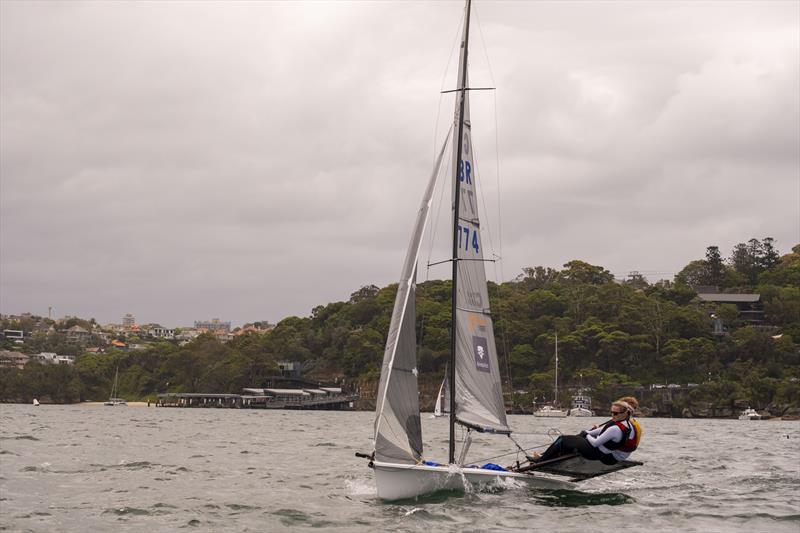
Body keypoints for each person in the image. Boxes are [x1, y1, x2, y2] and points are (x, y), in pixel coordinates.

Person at [533, 397, 641, 466]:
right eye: (611, 412)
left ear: (625, 413)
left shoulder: (615, 428)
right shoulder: (626, 425)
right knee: (575, 439)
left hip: (595, 453)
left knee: (562, 439)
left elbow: (595, 443)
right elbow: (601, 431)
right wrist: (587, 432)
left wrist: (587, 435)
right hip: (601, 452)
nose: (612, 415)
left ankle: (540, 461)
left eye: (615, 413)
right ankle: (549, 457)